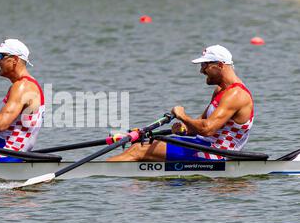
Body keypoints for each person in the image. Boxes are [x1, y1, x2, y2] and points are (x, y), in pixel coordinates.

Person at [107, 45, 254, 161]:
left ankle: (98, 178)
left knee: (138, 150)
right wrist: (185, 129)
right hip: (203, 145)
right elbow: (201, 123)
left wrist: (182, 116)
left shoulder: (236, 94)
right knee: (143, 144)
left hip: (217, 153)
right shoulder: (220, 91)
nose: (201, 71)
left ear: (220, 65)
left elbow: (207, 129)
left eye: (205, 65)